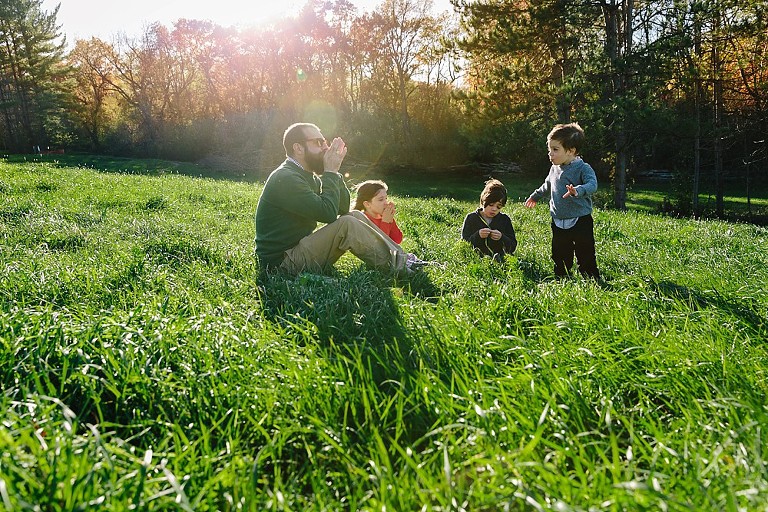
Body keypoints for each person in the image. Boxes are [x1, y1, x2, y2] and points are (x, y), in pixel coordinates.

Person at [254, 122, 419, 276]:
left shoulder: (308, 176)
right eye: (319, 142)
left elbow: (343, 209)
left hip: (297, 251)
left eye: (325, 142)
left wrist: (335, 172)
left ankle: (403, 258)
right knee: (347, 225)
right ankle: (402, 266)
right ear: (298, 148)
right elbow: (328, 215)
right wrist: (330, 172)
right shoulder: (286, 177)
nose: (326, 147)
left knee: (355, 216)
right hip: (280, 264)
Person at [524, 122, 600, 279]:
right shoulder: (554, 168)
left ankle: (590, 277)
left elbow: (592, 185)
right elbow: (547, 185)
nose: (550, 154)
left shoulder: (583, 168)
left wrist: (577, 191)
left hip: (580, 219)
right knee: (559, 251)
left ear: (571, 151)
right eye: (549, 149)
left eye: (555, 149)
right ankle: (562, 276)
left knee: (584, 251)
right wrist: (535, 196)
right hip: (558, 219)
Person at [461, 178, 518, 261]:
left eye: (498, 206)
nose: (494, 209)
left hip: (500, 260)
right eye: (491, 205)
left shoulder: (504, 220)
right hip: (476, 259)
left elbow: (512, 246)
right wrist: (478, 235)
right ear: (483, 202)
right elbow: (464, 243)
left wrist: (502, 237)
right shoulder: (471, 218)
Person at [352, 180, 403, 244]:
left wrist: (391, 220)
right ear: (367, 204)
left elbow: (397, 240)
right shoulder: (364, 221)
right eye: (381, 199)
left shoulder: (383, 216)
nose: (385, 203)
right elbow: (380, 245)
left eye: (386, 198)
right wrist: (385, 222)